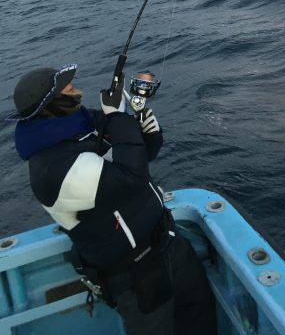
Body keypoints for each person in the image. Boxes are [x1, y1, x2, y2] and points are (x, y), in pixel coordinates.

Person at [10, 63, 217, 335]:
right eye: (68, 89)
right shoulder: (52, 172)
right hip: (135, 275)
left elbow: (136, 156)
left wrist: (147, 133)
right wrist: (119, 119)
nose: (78, 91)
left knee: (200, 316)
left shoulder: (82, 124)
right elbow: (131, 177)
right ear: (50, 105)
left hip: (169, 243)